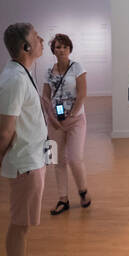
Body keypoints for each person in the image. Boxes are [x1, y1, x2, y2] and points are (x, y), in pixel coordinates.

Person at [0, 22, 53, 256]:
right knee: (19, 224)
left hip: (32, 158)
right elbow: (5, 130)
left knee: (23, 223)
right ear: (26, 47)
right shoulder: (15, 80)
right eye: (36, 38)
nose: (42, 40)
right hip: (25, 162)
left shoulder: (20, 74)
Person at [42, 33, 91, 214]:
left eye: (64, 47)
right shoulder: (48, 72)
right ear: (53, 50)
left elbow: (82, 93)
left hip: (76, 120)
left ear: (70, 49)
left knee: (74, 158)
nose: (61, 50)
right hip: (54, 122)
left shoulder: (77, 67)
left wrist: (72, 115)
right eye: (57, 47)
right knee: (57, 160)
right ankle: (63, 199)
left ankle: (83, 190)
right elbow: (45, 96)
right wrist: (51, 116)